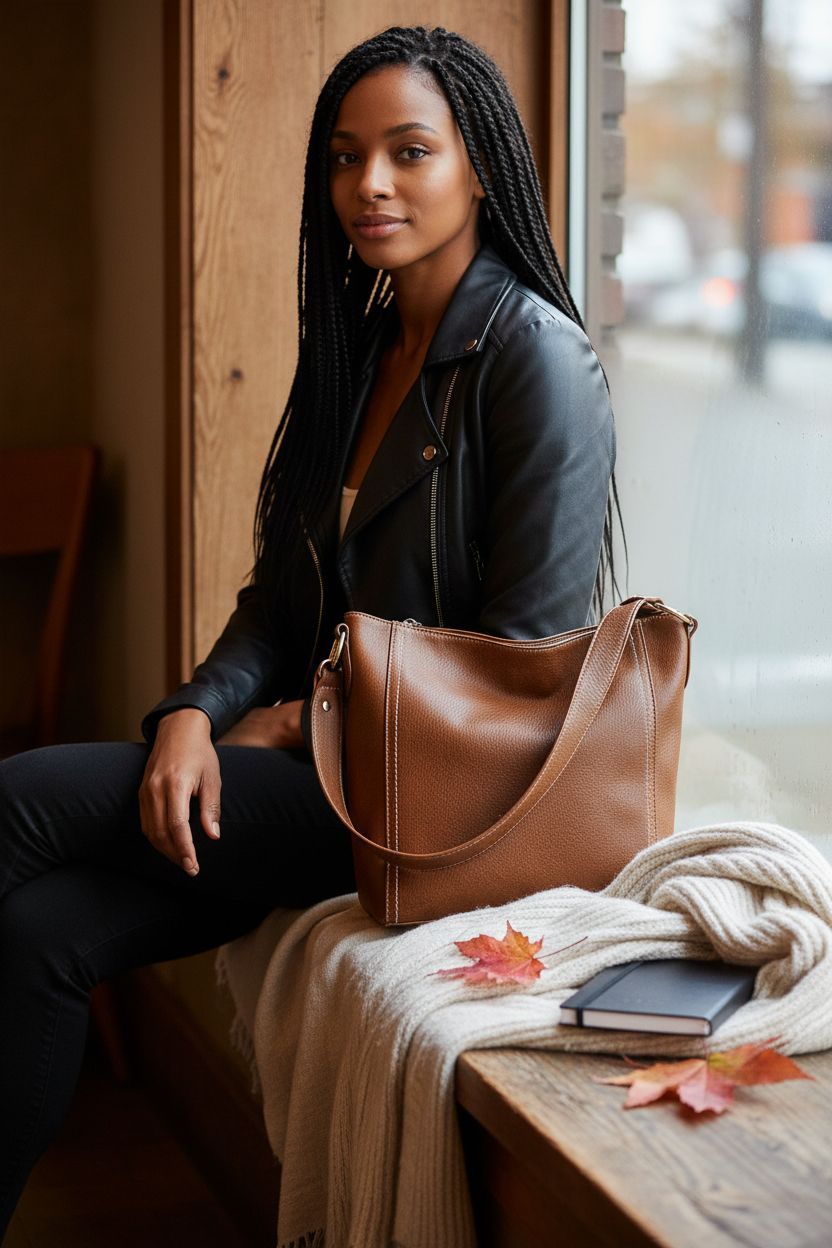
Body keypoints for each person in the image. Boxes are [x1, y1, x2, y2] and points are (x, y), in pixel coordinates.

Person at [0, 24, 620, 1237]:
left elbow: (527, 670)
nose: (370, 184)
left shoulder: (535, 360)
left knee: (17, 803)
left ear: (481, 167)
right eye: (346, 157)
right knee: (36, 934)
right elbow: (277, 608)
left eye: (408, 152)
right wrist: (194, 713)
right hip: (332, 773)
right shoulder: (368, 349)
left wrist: (299, 725)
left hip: (435, 806)